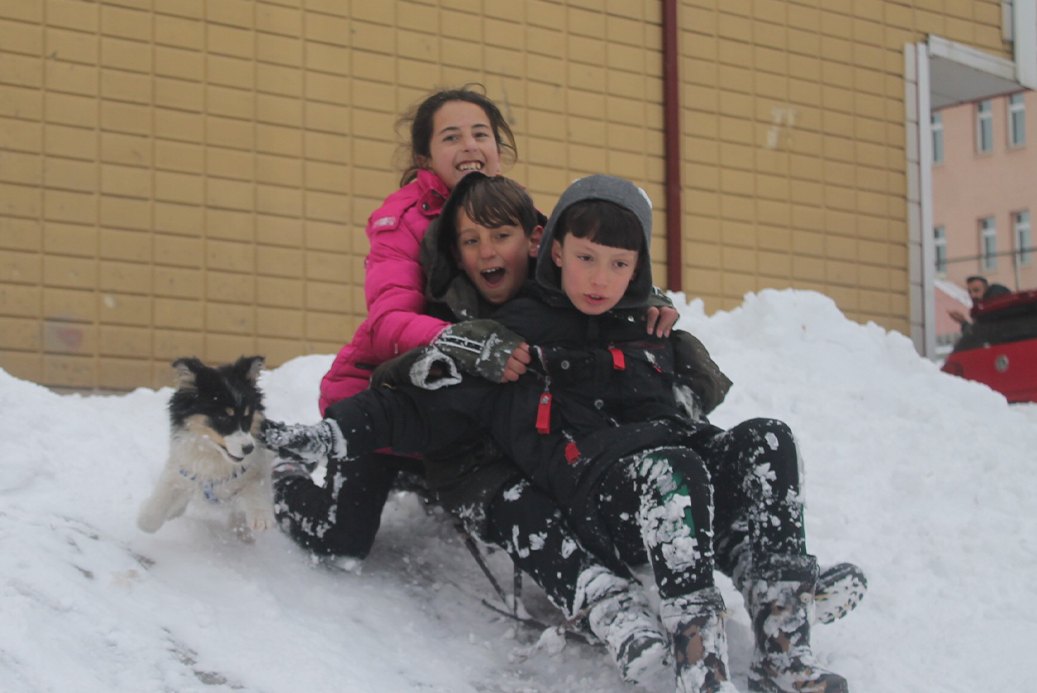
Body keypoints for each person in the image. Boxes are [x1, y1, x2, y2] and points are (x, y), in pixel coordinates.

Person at [262, 174, 855, 693]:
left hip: (674, 471)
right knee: (675, 470)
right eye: (587, 258)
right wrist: (333, 433)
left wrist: (676, 351)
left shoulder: (644, 326)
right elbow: (422, 404)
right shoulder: (516, 334)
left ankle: (783, 637)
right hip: (601, 494)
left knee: (768, 439)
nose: (601, 278)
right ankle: (701, 669)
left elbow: (689, 409)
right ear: (556, 252)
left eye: (620, 265)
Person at [272, 85, 681, 685]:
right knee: (341, 541)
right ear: (425, 157)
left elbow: (590, 261)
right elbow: (387, 323)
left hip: (476, 399)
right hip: (389, 396)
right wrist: (462, 341)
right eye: (451, 135)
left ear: (499, 147)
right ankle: (284, 476)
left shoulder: (518, 213)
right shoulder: (402, 221)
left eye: (481, 133)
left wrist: (648, 300)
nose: (469, 145)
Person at [948, 275, 1013, 327]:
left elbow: (979, 336)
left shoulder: (990, 308)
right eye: (969, 292)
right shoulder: (980, 309)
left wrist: (964, 323)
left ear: (986, 289)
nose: (972, 295)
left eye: (976, 290)